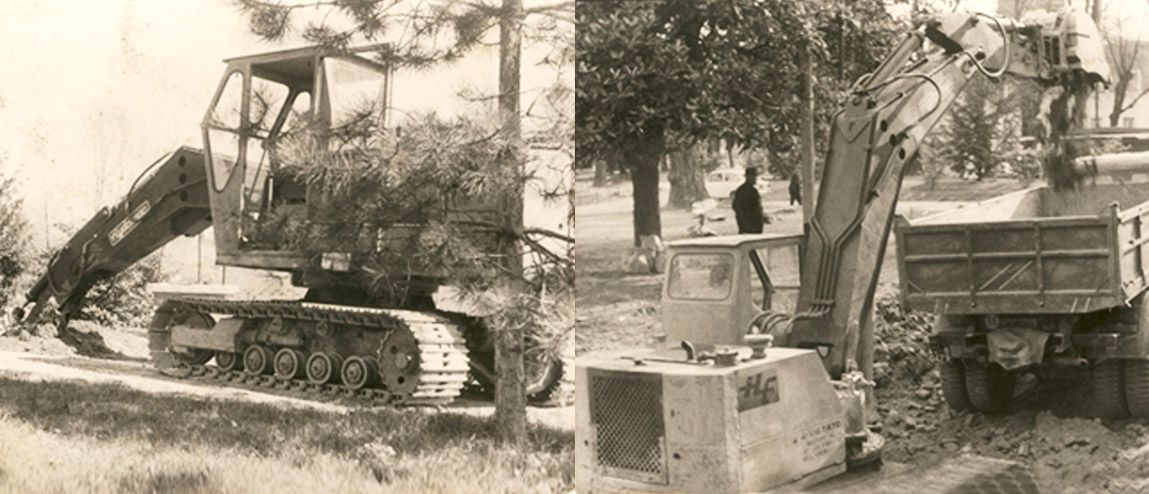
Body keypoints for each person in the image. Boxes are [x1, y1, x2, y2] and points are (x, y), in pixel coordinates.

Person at [733, 167, 766, 234]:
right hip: (751, 223)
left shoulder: (740, 190)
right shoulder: (750, 191)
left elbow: (735, 206)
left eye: (755, 176)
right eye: (753, 176)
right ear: (748, 177)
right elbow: (756, 208)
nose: (755, 179)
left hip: (745, 222)